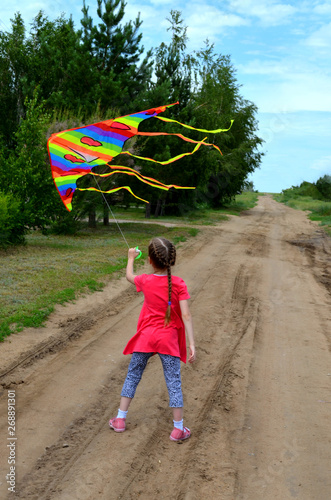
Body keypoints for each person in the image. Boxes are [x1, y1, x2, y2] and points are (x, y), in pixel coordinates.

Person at [109, 237, 195, 441]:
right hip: (169, 340)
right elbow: (187, 316)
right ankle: (178, 429)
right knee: (174, 382)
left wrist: (130, 258)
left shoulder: (145, 280)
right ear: (172, 260)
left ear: (149, 260)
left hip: (146, 338)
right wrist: (192, 343)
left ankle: (120, 419)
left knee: (133, 375)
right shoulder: (179, 283)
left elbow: (129, 276)